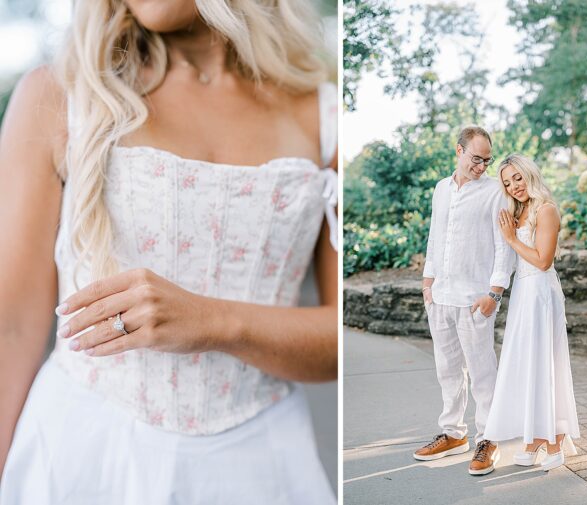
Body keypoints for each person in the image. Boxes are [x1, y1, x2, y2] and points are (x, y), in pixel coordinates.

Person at [0, 1, 338, 503]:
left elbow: (339, 343)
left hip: (261, 466)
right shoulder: (58, 94)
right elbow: (12, 328)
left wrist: (213, 320)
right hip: (83, 454)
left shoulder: (326, 115)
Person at [415, 126, 516, 476]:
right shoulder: (440, 189)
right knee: (447, 369)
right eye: (476, 159)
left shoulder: (495, 192)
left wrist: (494, 293)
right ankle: (453, 433)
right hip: (439, 295)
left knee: (483, 371)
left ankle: (489, 438)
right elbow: (435, 236)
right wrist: (428, 283)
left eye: (486, 160)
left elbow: (506, 245)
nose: (481, 166)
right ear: (458, 151)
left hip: (476, 299)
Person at [482, 154, 580, 472]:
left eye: (517, 178)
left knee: (546, 362)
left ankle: (554, 437)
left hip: (542, 293)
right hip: (523, 293)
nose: (514, 187)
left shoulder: (546, 210)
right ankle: (533, 436)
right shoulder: (518, 212)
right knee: (526, 363)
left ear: (529, 174)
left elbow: (542, 260)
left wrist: (511, 239)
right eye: (507, 183)